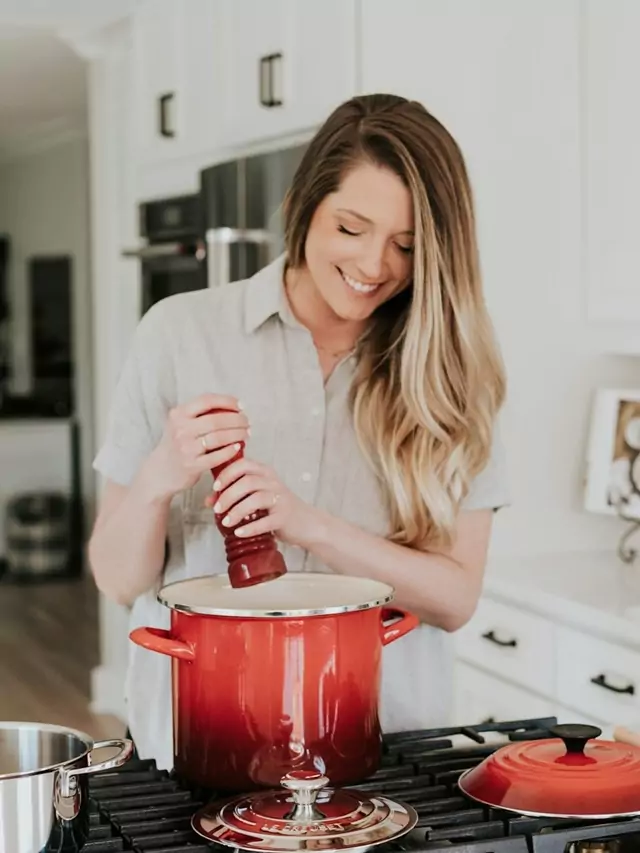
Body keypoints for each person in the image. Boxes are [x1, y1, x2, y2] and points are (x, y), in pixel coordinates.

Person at [89, 93, 509, 770]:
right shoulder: (178, 333)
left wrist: (305, 523)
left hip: (386, 756)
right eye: (351, 228)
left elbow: (456, 599)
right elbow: (115, 577)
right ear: (304, 207)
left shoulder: (453, 372)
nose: (376, 264)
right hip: (202, 752)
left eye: (407, 245)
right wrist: (158, 477)